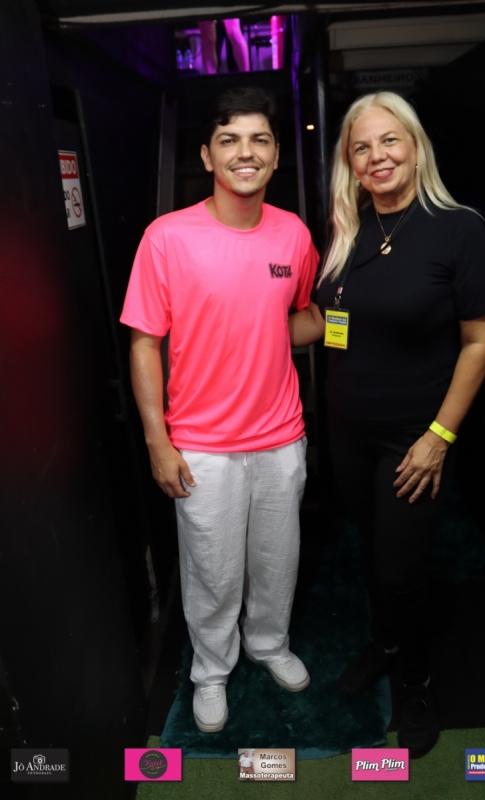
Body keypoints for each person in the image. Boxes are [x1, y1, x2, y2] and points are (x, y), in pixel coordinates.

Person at [120, 87, 322, 734]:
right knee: (211, 570)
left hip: (280, 436)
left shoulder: (293, 234)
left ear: (276, 154)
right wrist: (158, 440)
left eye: (259, 139)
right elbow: (144, 343)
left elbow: (303, 317)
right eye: (229, 140)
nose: (245, 152)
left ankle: (268, 643)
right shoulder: (167, 238)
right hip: (202, 444)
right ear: (208, 156)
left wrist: (352, 323)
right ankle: (210, 670)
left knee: (276, 559)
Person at [312, 91, 485, 757]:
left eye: (389, 140)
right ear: (350, 163)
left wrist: (439, 437)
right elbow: (332, 322)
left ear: (416, 148)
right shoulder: (348, 228)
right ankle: (386, 642)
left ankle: (415, 680)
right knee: (372, 550)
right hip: (347, 428)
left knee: (401, 569)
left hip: (413, 435)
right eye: (361, 147)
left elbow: (479, 339)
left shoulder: (458, 230)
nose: (377, 156)